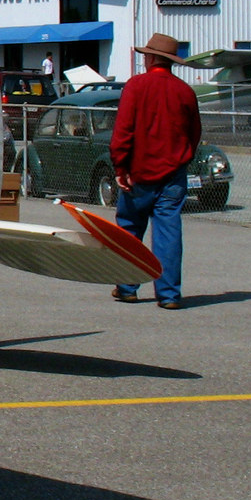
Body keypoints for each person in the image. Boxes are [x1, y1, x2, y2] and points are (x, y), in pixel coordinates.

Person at [110, 33, 202, 309]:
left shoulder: (136, 86)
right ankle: (169, 294)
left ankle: (127, 287)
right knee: (169, 233)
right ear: (171, 61)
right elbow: (194, 132)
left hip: (138, 171)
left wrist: (120, 165)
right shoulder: (184, 91)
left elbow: (123, 130)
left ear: (150, 58)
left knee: (129, 229)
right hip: (173, 172)